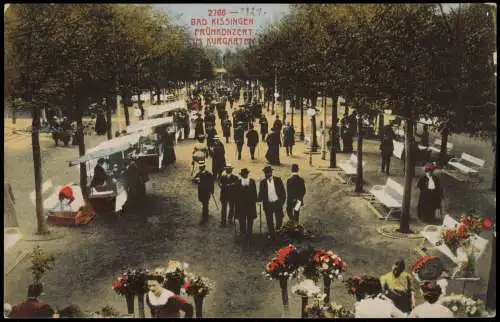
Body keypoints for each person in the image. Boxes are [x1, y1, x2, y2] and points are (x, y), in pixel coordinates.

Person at [257, 166, 286, 239]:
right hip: (268, 204)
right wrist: (258, 200)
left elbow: (283, 193)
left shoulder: (278, 180)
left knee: (279, 219)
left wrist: (281, 202)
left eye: (268, 173)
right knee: (269, 221)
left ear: (271, 172)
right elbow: (261, 194)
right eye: (265, 173)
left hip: (277, 203)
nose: (266, 174)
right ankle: (272, 235)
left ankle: (278, 232)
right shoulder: (262, 182)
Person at [235, 168, 257, 247]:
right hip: (241, 205)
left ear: (247, 174)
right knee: (242, 220)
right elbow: (236, 195)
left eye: (246, 174)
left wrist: (255, 201)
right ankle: (243, 234)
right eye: (243, 174)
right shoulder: (238, 182)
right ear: (241, 175)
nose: (245, 175)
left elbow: (255, 193)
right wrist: (236, 205)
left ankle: (249, 234)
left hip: (250, 205)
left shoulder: (252, 182)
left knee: (250, 220)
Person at [193, 161, 213, 225]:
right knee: (204, 202)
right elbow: (194, 179)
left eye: (201, 167)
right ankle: (206, 213)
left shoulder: (208, 174)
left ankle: (204, 217)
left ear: (204, 167)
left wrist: (212, 190)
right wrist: (196, 181)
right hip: (201, 191)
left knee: (205, 203)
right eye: (200, 167)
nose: (200, 168)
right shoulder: (199, 174)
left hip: (206, 191)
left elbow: (211, 183)